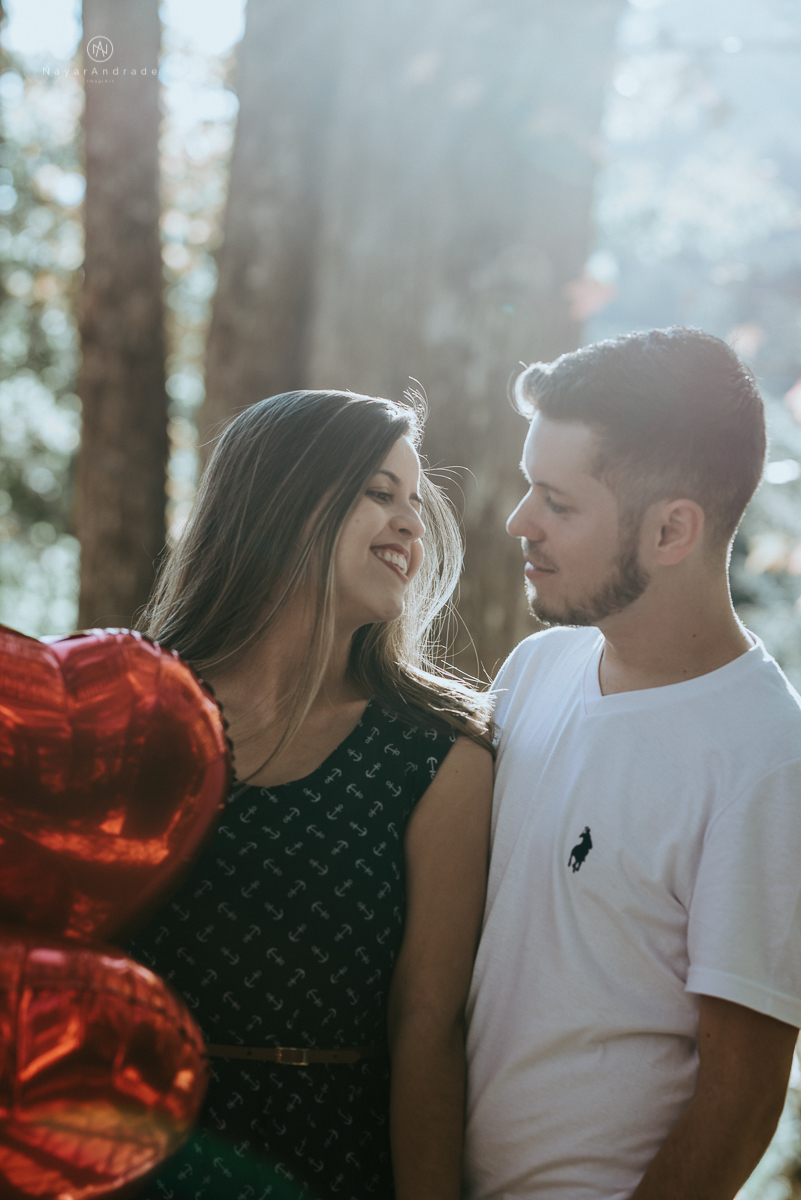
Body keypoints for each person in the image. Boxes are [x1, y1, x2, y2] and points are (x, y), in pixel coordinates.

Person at [127, 390, 493, 1200]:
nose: (410, 524)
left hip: (329, 1168)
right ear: (284, 500)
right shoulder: (128, 713)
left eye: (415, 501)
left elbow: (427, 1031)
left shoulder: (438, 756)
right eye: (380, 492)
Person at [464, 328, 801, 1200]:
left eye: (557, 502)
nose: (519, 521)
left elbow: (740, 1101)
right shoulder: (532, 671)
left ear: (670, 530)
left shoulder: (765, 755)